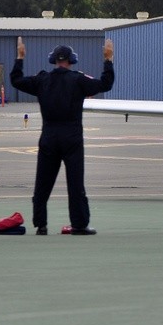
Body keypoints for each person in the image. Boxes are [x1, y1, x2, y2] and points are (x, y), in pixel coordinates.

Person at [10, 36, 115, 236]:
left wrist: (20, 58)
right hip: (72, 137)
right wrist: (108, 60)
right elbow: (105, 84)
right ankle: (79, 223)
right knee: (75, 183)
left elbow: (16, 81)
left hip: (49, 135)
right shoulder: (79, 80)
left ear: (54, 61)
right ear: (71, 60)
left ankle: (41, 224)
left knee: (43, 182)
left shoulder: (42, 80)